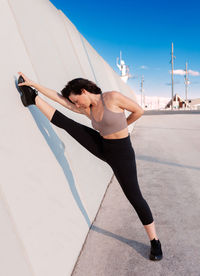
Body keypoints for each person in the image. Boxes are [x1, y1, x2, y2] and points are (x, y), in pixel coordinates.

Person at [17, 72, 163, 261]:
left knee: (135, 197)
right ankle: (32, 97)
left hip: (122, 155)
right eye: (74, 103)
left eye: (76, 100)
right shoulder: (87, 109)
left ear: (84, 91)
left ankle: (155, 241)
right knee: (69, 125)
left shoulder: (112, 97)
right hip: (102, 146)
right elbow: (59, 99)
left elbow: (139, 111)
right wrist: (34, 84)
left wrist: (122, 126)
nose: (76, 105)